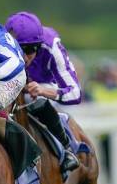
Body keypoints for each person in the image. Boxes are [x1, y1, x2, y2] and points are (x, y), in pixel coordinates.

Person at [5, 11, 80, 173]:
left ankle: (67, 148)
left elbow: (75, 94)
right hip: (16, 85)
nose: (24, 57)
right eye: (19, 49)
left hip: (46, 85)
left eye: (31, 49)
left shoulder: (51, 45)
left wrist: (43, 90)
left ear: (39, 46)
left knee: (35, 100)